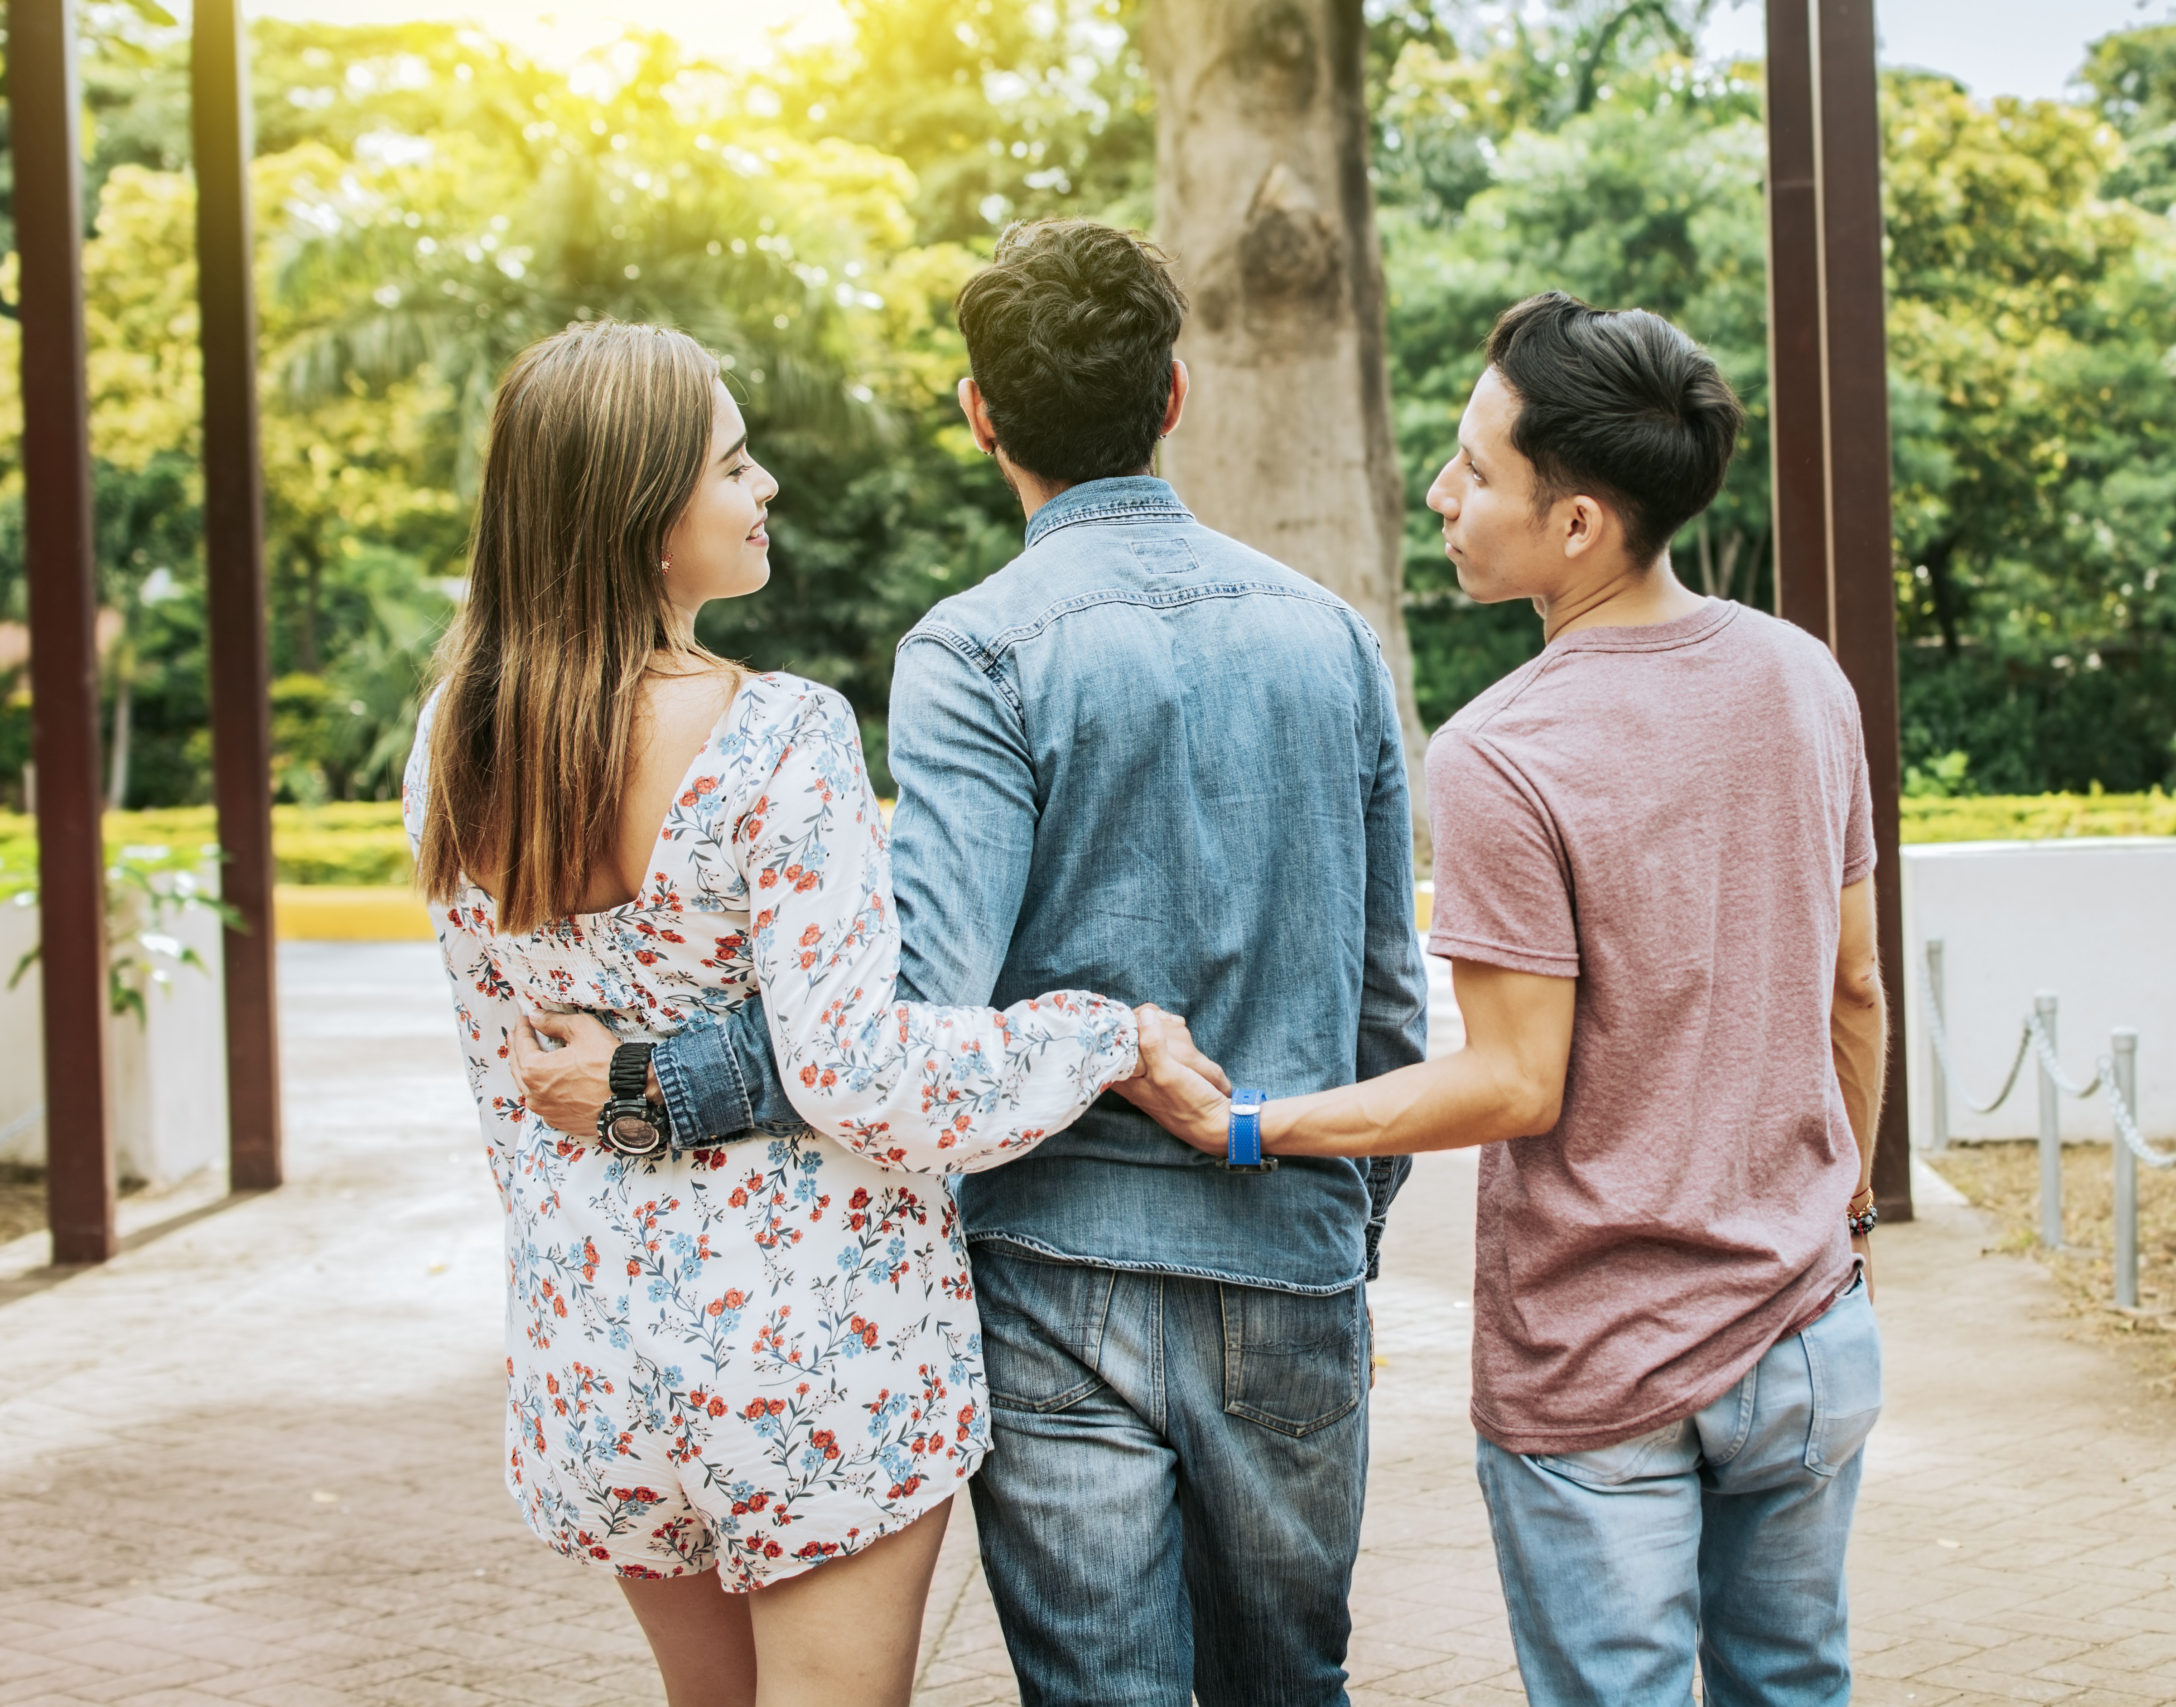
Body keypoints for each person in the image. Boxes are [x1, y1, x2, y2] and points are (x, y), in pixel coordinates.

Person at [512, 223, 1429, 1707]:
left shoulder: (974, 650)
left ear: (979, 413)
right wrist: (1340, 1223)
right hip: (1290, 1248)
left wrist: (657, 1079)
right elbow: (1390, 993)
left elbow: (906, 997)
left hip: (1056, 1270)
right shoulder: (1330, 638)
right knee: (1292, 1686)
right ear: (1176, 395)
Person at [405, 319, 1216, 1707]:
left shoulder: (454, 745)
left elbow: (512, 1083)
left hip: (596, 1343)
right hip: (806, 1349)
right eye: (733, 464)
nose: (765, 485)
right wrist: (1106, 1034)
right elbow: (860, 1075)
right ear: (640, 518)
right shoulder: (775, 735)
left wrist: (572, 1281)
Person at [1137, 291, 1891, 1707]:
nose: (1442, 491)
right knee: (1798, 1690)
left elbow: (1512, 1081)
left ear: (1579, 525)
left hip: (1602, 1367)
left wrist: (1248, 1127)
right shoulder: (1805, 678)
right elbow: (1855, 987)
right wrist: (1838, 1223)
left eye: (1477, 470)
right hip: (1807, 1332)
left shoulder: (1505, 750)